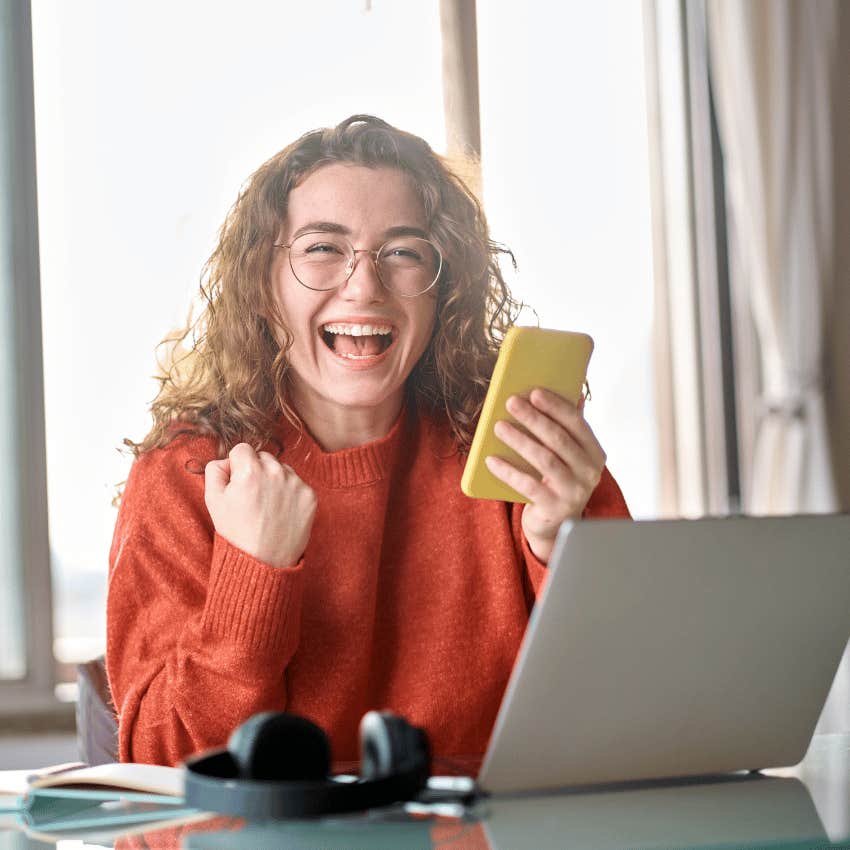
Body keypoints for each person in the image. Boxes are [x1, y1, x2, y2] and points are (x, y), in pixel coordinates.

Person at [106, 114, 630, 769]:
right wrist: (252, 574)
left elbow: (633, 718)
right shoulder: (186, 475)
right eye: (323, 248)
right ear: (262, 285)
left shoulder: (522, 453)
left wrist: (563, 549)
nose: (364, 286)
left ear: (445, 287)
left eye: (404, 252)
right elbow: (161, 776)